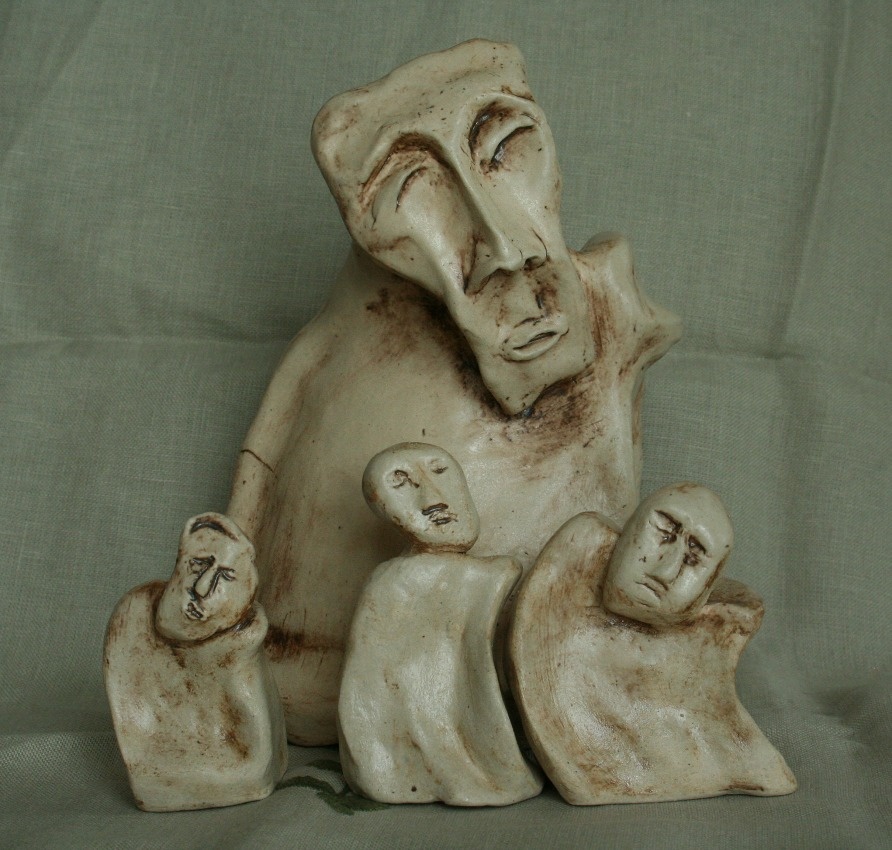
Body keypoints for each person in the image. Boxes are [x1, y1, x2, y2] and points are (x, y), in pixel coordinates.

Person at [227, 40, 682, 744]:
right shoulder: (341, 345)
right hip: (318, 677)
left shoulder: (609, 310)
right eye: (412, 194)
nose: (502, 246)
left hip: (548, 665)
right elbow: (255, 491)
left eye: (505, 151)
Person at [508, 484, 797, 804]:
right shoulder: (563, 580)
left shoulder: (716, 738)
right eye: (664, 531)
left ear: (706, 592)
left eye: (694, 557)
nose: (665, 570)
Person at [338, 444, 542, 805]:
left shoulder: (491, 573)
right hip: (407, 760)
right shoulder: (391, 584)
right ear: (387, 512)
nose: (433, 499)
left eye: (440, 471)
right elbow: (371, 695)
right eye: (401, 483)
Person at [104, 513, 287, 811]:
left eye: (225, 576)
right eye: (198, 564)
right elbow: (143, 760)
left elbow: (256, 769)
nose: (201, 588)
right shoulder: (132, 617)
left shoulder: (242, 645)